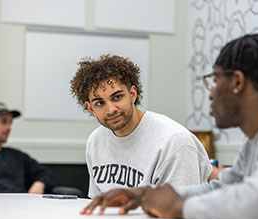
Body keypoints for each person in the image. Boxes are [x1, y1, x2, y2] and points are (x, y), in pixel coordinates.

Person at [81, 34, 258, 219]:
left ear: (237, 82)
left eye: (215, 79)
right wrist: (146, 194)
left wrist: (179, 206)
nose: (210, 93)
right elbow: (224, 186)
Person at [70, 55, 212, 198]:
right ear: (90, 108)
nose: (111, 109)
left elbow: (179, 211)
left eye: (117, 97)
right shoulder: (95, 141)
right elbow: (98, 203)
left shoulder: (176, 141)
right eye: (100, 103)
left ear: (132, 94)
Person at [0, 102, 58, 193]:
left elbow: (47, 174)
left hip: (21, 205)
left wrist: (40, 183)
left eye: (10, 123)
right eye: (4, 122)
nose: (9, 128)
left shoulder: (18, 156)